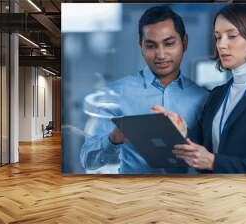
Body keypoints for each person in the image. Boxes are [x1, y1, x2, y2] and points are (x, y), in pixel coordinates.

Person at [79, 6, 208, 174]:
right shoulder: (116, 93)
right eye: (151, 46)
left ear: (184, 43)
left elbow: (216, 159)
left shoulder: (204, 98)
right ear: (141, 46)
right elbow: (87, 160)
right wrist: (114, 139)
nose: (161, 54)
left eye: (169, 43)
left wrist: (186, 137)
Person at [153, 4, 246, 173]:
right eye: (218, 37)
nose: (221, 45)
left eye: (231, 36)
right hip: (212, 191)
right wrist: (182, 131)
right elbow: (203, 148)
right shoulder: (218, 93)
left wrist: (214, 162)